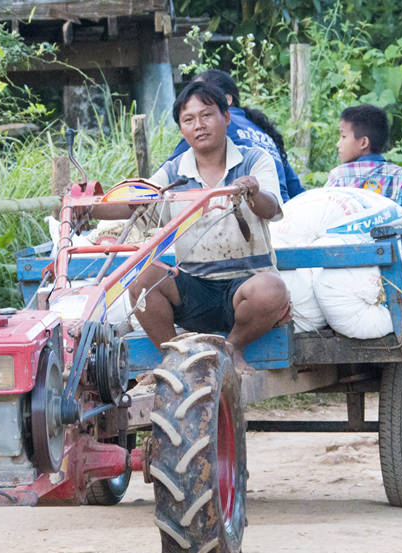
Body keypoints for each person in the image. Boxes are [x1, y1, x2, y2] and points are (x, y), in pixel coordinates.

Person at [105, 81, 290, 371]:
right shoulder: (174, 170)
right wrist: (91, 206)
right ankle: (175, 359)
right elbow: (137, 201)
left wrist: (253, 191)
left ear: (226, 117)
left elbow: (272, 207)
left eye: (206, 115)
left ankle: (233, 348)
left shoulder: (254, 159)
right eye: (188, 120)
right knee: (140, 279)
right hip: (195, 287)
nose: (199, 125)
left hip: (246, 283)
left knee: (272, 289)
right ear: (181, 129)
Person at [164, 69, 305, 201]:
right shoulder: (259, 127)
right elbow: (297, 192)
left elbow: (157, 187)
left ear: (226, 103)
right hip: (286, 213)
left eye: (200, 93)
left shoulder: (213, 128)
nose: (192, 99)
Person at [326, 104, 402, 209]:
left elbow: (326, 214)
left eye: (343, 137)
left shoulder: (339, 176)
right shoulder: (398, 175)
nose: (338, 144)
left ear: (364, 142)